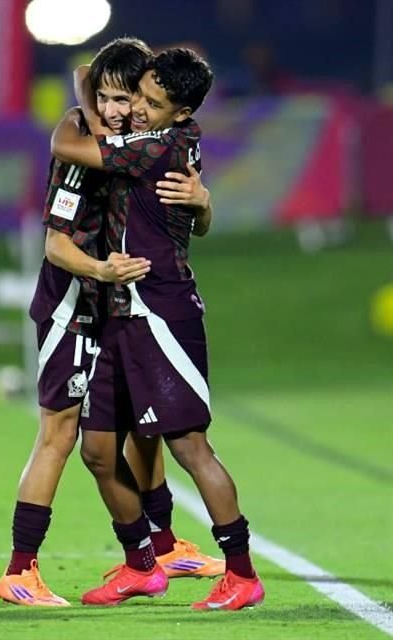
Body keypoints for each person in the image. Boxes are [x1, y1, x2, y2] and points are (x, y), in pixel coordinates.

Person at [0, 38, 221, 608]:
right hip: (73, 306)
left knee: (142, 427)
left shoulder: (148, 142)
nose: (124, 109)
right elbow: (55, 246)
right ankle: (20, 570)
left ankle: (162, 547)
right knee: (60, 433)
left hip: (118, 307)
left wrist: (203, 202)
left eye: (132, 97)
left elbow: (190, 220)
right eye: (111, 99)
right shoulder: (79, 149)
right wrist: (101, 269)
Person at [51, 48, 264, 611]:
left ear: (182, 112)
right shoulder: (167, 135)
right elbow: (85, 72)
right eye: (138, 95)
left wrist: (83, 116)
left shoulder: (155, 146)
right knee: (98, 449)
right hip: (122, 315)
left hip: (161, 312)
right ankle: (141, 565)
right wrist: (204, 205)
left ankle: (241, 573)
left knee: (190, 447)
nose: (139, 109)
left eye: (152, 102)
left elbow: (66, 144)